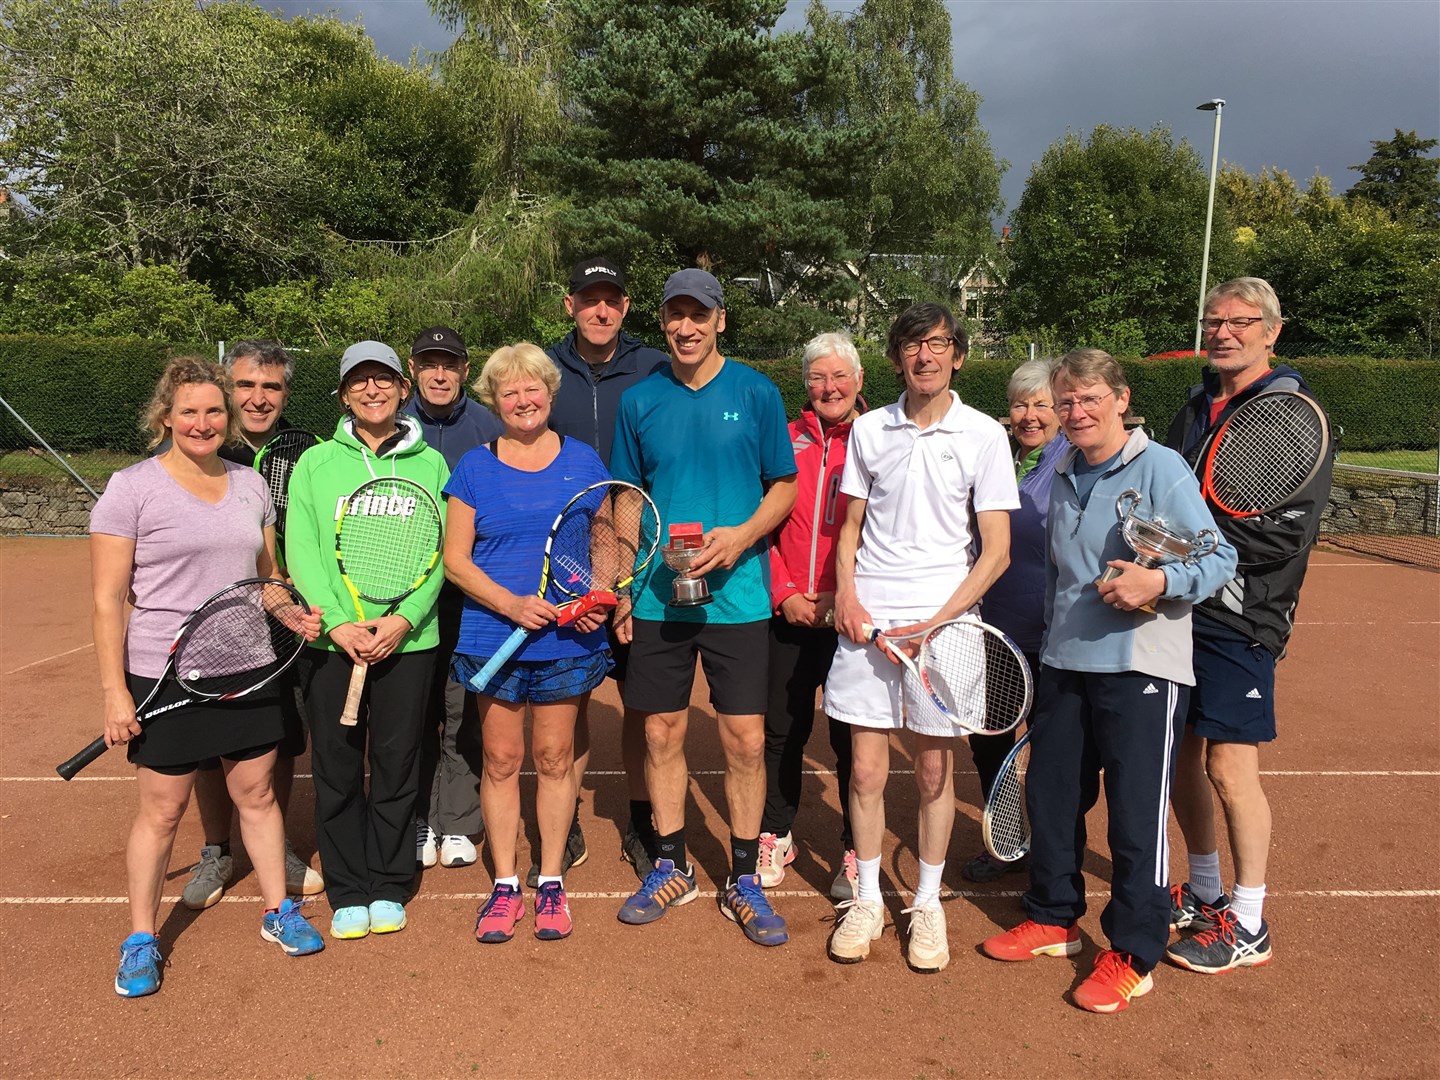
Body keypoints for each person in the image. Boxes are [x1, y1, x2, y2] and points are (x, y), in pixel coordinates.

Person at [980, 349, 1237, 1014]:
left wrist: (1159, 580)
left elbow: (1218, 555)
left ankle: (1133, 951)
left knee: (1133, 817)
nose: (1075, 412)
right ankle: (1053, 916)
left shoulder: (1160, 467)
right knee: (1053, 796)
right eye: (1066, 400)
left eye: (1089, 398)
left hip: (1141, 667)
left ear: (1120, 400)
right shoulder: (1060, 466)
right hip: (1065, 663)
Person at [93, 356, 325, 998]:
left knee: (258, 795)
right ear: (165, 417)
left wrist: (295, 614)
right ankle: (141, 939)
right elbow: (108, 600)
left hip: (247, 665)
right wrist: (116, 692)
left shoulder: (251, 484)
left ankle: (279, 911)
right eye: (189, 411)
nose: (203, 422)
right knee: (162, 813)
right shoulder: (131, 488)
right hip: (163, 673)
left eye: (213, 411)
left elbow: (267, 578)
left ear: (228, 419)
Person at [824, 304, 1018, 974]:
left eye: (938, 344)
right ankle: (869, 901)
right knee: (868, 770)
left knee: (935, 770)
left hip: (947, 627)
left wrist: (937, 622)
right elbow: (848, 531)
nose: (926, 356)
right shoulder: (870, 431)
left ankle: (927, 905)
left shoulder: (985, 434)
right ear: (898, 357)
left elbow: (995, 552)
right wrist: (846, 595)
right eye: (912, 345)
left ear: (957, 355)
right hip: (869, 624)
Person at [610, 268, 798, 946]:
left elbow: (784, 484)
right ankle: (671, 865)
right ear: (662, 322)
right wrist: (625, 587)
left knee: (744, 738)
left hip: (739, 597)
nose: (685, 327)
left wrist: (744, 535)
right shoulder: (640, 400)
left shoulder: (756, 392)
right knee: (659, 731)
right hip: (660, 597)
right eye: (674, 315)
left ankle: (744, 875)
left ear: (721, 320)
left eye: (699, 314)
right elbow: (627, 499)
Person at [1164, 278, 1334, 974]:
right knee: (1180, 759)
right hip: (1182, 613)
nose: (1224, 332)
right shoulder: (1197, 409)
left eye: (1241, 321)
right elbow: (1170, 494)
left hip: (1241, 619)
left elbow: (1279, 539)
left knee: (1230, 767)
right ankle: (1206, 893)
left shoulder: (1292, 416)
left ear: (1272, 331)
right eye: (1214, 320)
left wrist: (1185, 548)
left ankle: (1250, 919)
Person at [444, 344, 613, 943]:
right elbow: (456, 562)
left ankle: (550, 881)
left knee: (554, 759)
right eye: (509, 392)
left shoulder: (585, 460)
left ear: (549, 391)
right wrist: (509, 603)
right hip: (494, 636)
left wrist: (596, 595)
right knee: (500, 761)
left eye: (533, 388)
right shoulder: (472, 467)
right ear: (495, 399)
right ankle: (505, 885)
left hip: (567, 642)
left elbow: (604, 539)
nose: (523, 400)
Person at [284, 341, 448, 940]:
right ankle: (349, 886)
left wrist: (404, 618)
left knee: (397, 762)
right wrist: (336, 624)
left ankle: (390, 880)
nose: (372, 390)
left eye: (383, 379)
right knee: (336, 765)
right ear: (343, 394)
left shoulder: (431, 465)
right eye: (360, 382)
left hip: (410, 641)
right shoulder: (316, 465)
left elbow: (441, 551)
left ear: (403, 389)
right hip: (335, 645)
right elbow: (300, 549)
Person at [179, 340, 324, 912]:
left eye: (271, 387)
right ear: (227, 388)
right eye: (245, 385)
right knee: (208, 744)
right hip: (218, 622)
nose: (257, 398)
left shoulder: (308, 449)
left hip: (290, 621)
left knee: (278, 738)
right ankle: (217, 848)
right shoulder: (204, 445)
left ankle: (276, 842)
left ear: (286, 393)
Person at [543, 257, 668, 887]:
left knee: (643, 705)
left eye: (611, 300)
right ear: (569, 305)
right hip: (563, 567)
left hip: (638, 562)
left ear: (625, 307)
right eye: (589, 299)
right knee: (569, 700)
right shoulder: (543, 370)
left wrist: (622, 571)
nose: (601, 310)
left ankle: (643, 819)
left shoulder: (654, 368)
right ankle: (563, 822)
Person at [757, 330, 865, 902]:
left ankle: (854, 847)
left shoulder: (876, 440)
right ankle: (776, 832)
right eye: (818, 377)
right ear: (806, 385)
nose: (829, 387)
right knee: (783, 729)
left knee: (853, 739)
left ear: (858, 381)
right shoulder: (785, 439)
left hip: (850, 615)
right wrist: (786, 593)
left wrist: (843, 595)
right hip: (791, 612)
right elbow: (764, 522)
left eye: (839, 376)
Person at [960, 358, 1068, 884]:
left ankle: (1052, 852)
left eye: (1042, 404)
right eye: (1021, 404)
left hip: (1052, 635)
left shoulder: (1074, 461)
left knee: (1053, 754)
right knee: (990, 741)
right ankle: (1007, 838)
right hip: (996, 634)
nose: (1030, 415)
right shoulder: (1001, 458)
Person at [403, 326, 503, 873]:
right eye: (429, 364)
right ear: (413, 368)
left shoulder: (491, 427)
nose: (439, 374)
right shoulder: (388, 425)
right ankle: (418, 816)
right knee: (414, 712)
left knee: (464, 710)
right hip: (407, 602)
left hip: (472, 599)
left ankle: (460, 820)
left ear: (466, 370)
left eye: (450, 364)